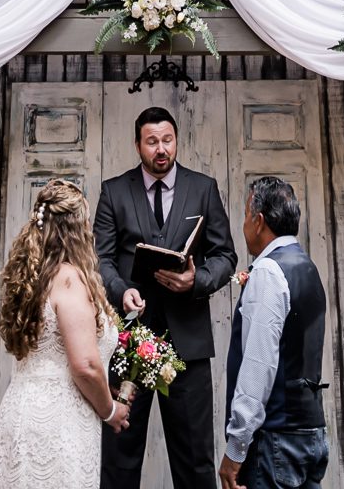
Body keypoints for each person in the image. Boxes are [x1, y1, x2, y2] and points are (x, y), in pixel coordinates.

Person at [94, 105, 238, 489]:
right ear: (138, 145)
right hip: (128, 347)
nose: (162, 149)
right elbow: (100, 260)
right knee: (119, 461)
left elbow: (226, 256)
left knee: (195, 463)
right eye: (152, 141)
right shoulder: (114, 191)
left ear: (177, 141)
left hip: (187, 347)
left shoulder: (203, 188)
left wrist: (198, 279)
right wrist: (122, 291)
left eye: (168, 140)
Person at [0, 177, 132, 488]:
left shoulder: (31, 276)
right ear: (77, 230)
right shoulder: (70, 279)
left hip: (20, 412)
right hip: (56, 423)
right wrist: (110, 411)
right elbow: (85, 366)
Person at [220, 176, 328, 489]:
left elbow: (258, 366)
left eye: (244, 215)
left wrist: (236, 447)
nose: (243, 225)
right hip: (312, 432)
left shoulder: (268, 272)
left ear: (259, 221)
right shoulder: (307, 267)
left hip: (276, 440)